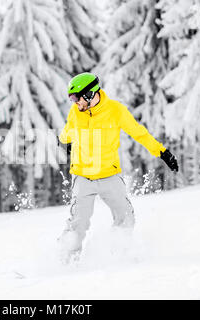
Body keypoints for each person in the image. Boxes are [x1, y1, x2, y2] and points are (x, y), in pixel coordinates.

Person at [58, 72, 179, 264]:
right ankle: (65, 263)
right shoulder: (75, 112)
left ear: (89, 94)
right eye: (71, 99)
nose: (74, 103)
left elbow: (139, 133)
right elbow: (67, 133)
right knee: (77, 225)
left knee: (126, 217)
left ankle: (118, 256)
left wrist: (162, 152)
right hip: (82, 177)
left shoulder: (116, 111)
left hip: (109, 176)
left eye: (76, 98)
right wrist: (65, 141)